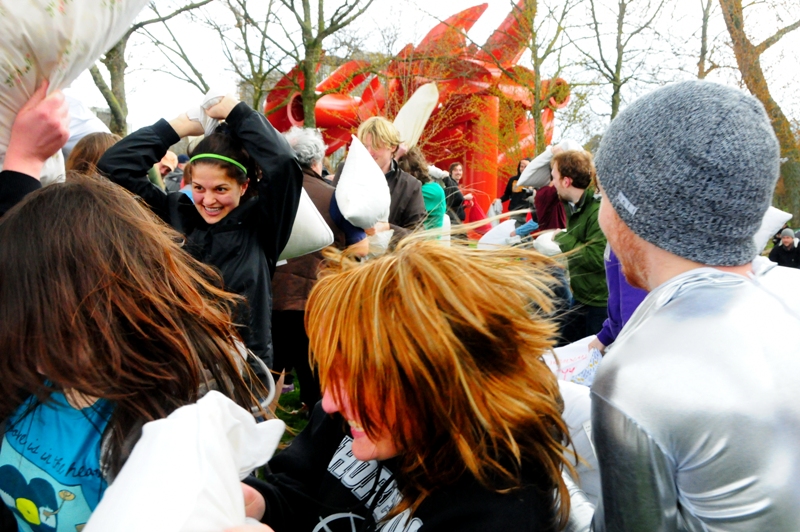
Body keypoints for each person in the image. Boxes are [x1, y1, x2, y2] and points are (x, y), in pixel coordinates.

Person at [241, 238, 576, 531]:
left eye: (360, 380)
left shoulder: (501, 507)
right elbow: (297, 494)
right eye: (332, 372)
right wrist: (258, 503)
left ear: (442, 384)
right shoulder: (347, 421)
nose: (330, 402)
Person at [590, 80, 800, 530]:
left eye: (603, 192)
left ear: (632, 208)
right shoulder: (786, 303)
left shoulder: (642, 372)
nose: (600, 211)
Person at [97, 94, 303, 383]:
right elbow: (113, 168)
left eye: (221, 189)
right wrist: (178, 126)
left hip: (241, 377)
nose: (208, 200)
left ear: (243, 186)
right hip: (175, 371)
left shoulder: (262, 225)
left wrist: (238, 113)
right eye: (199, 187)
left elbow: (283, 164)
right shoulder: (172, 213)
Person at [272, 127, 367, 412]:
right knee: (317, 369)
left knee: (273, 368)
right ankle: (317, 436)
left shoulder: (272, 194)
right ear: (318, 160)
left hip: (273, 297)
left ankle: (264, 427)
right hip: (318, 298)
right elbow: (360, 248)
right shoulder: (335, 197)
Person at [333, 117, 427, 239]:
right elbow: (330, 213)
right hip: (347, 254)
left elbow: (418, 235)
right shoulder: (346, 171)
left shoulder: (410, 185)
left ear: (392, 147)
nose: (370, 152)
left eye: (376, 146)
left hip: (388, 256)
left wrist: (388, 228)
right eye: (365, 146)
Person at [551, 150, 608, 343]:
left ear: (566, 182)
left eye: (555, 178)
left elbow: (596, 257)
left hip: (599, 305)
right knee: (560, 348)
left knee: (592, 363)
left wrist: (562, 238)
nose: (552, 183)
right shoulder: (573, 204)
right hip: (581, 296)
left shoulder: (597, 211)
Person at [586, 246, 648, 354]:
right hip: (623, 338)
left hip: (638, 345)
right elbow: (616, 293)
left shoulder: (632, 238)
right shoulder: (617, 234)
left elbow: (635, 304)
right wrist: (606, 335)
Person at [397, 146, 446, 230]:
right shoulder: (425, 188)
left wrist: (395, 157)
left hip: (423, 241)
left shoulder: (432, 190)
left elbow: (396, 207)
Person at [498, 158, 533, 225]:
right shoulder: (513, 180)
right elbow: (507, 195)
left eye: (525, 167)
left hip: (528, 213)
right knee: (513, 231)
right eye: (521, 166)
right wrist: (498, 200)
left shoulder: (534, 180)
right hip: (514, 212)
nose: (523, 169)